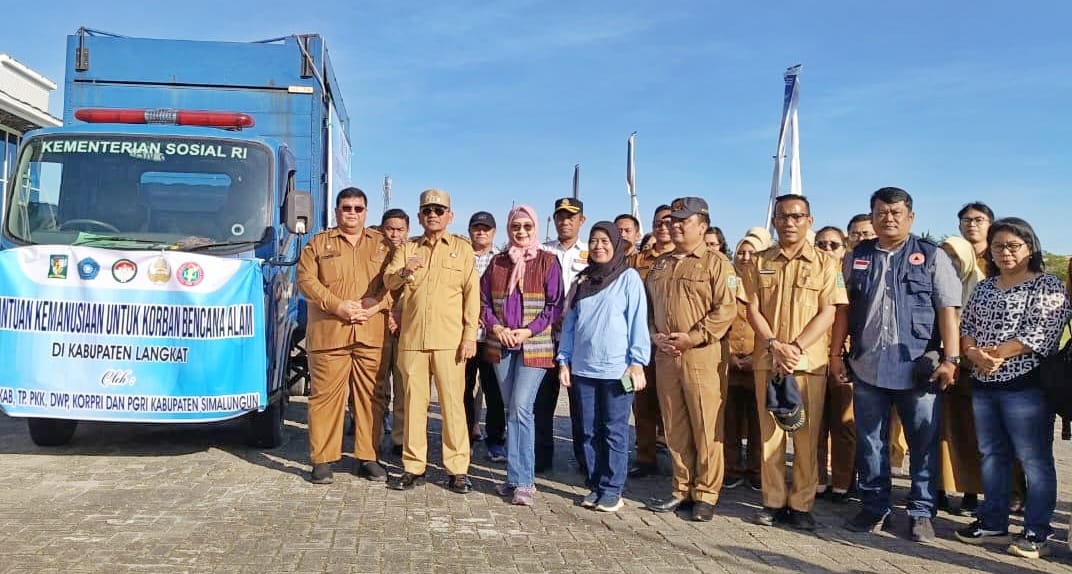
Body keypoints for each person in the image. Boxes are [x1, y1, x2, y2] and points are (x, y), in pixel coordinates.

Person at [831, 187, 961, 542]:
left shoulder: (931, 256)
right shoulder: (857, 256)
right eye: (881, 212)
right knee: (871, 441)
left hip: (917, 367)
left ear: (911, 217)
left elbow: (948, 310)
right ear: (872, 217)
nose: (889, 218)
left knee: (923, 442)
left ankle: (920, 511)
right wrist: (834, 354)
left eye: (896, 212)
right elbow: (842, 308)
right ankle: (874, 506)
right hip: (867, 365)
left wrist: (951, 359)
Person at [955, 218, 1071, 559]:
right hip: (983, 383)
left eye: (1013, 246)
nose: (1005, 252)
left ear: (1030, 248)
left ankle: (1037, 531)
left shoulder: (1046, 285)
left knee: (1034, 460)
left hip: (1028, 386)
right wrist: (974, 353)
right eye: (998, 246)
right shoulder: (986, 287)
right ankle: (993, 522)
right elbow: (968, 325)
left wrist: (995, 355)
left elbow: (1044, 332)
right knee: (992, 455)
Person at [742, 196, 847, 531]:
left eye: (796, 216)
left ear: (809, 220)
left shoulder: (827, 264)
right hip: (768, 359)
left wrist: (796, 347)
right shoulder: (759, 261)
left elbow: (829, 311)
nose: (789, 222)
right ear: (773, 220)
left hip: (807, 364)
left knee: (806, 436)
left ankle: (801, 504)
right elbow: (752, 308)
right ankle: (772, 501)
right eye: (782, 216)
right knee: (770, 436)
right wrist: (774, 344)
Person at [644, 197, 737, 522]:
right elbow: (648, 308)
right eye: (673, 220)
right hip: (666, 355)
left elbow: (726, 310)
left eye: (684, 220)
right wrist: (654, 334)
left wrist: (693, 337)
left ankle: (706, 493)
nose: (676, 225)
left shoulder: (718, 263)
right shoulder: (660, 264)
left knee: (706, 426)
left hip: (701, 355)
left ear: (702, 225)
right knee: (675, 425)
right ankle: (681, 488)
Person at [384, 189, 479, 494]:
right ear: (420, 216)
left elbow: (471, 297)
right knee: (413, 404)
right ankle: (413, 467)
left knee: (453, 405)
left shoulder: (463, 250)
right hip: (412, 339)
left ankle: (457, 469)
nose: (434, 215)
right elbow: (389, 281)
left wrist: (469, 337)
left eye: (439, 210)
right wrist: (404, 271)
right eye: (428, 210)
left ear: (450, 215)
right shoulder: (407, 249)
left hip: (449, 341)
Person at [296, 187, 394, 484]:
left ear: (367, 212)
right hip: (331, 333)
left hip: (370, 332)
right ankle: (323, 460)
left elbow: (396, 284)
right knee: (325, 398)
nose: (352, 213)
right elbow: (305, 280)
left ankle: (367, 457)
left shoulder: (382, 245)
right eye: (346, 208)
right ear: (337, 211)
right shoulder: (319, 243)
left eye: (358, 208)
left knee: (371, 398)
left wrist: (375, 304)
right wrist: (338, 306)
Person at [558, 222, 651, 512]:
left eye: (604, 241)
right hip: (583, 370)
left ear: (616, 244)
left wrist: (637, 362)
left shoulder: (628, 278)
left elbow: (638, 322)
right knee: (587, 430)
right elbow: (570, 325)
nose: (599, 246)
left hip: (616, 372)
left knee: (614, 431)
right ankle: (596, 484)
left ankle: (612, 489)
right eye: (594, 241)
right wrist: (564, 360)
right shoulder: (582, 282)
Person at [481, 205, 563, 506]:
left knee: (521, 407)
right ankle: (513, 478)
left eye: (527, 227)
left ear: (536, 228)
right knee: (509, 409)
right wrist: (496, 326)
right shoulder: (498, 263)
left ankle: (525, 482)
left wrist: (528, 330)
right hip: (501, 344)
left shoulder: (547, 261)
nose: (522, 232)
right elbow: (483, 301)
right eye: (516, 226)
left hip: (534, 345)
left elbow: (554, 305)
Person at [536, 197, 588, 473]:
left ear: (582, 220)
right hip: (545, 337)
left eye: (571, 217)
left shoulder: (592, 253)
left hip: (578, 341)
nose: (565, 221)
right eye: (560, 216)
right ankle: (541, 458)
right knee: (542, 403)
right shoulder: (541, 251)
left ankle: (584, 459)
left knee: (580, 405)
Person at [936, 235, 985, 516]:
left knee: (969, 433)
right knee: (938, 433)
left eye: (955, 257)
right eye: (945, 257)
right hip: (939, 367)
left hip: (970, 370)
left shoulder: (981, 288)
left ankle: (971, 492)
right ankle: (939, 489)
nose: (950, 263)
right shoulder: (933, 285)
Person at [626, 205, 675, 478]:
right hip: (643, 340)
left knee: (672, 404)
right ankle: (645, 458)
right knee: (643, 402)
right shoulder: (637, 261)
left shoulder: (684, 258)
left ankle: (675, 458)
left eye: (668, 222)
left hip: (671, 342)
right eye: (658, 222)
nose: (663, 227)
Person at [813, 225, 855, 503]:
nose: (827, 249)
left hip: (844, 358)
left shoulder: (851, 278)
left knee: (843, 425)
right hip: (813, 356)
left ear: (844, 248)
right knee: (814, 425)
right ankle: (815, 480)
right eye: (821, 244)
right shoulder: (812, 273)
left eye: (833, 245)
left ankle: (842, 482)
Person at [724, 235, 767, 491]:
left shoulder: (764, 284)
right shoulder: (726, 282)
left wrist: (757, 354)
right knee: (729, 421)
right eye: (741, 252)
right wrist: (728, 353)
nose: (746, 257)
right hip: (728, 361)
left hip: (758, 359)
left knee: (758, 422)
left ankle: (756, 469)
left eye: (752, 253)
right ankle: (731, 468)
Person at [466, 211, 507, 463]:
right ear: (470, 230)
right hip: (466, 335)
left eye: (486, 228)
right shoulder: (460, 257)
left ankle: (495, 440)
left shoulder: (502, 260)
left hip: (492, 335)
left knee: (494, 390)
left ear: (494, 232)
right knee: (463, 389)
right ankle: (466, 437)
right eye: (476, 228)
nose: (481, 232)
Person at [375, 208, 410, 456]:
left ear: (407, 231)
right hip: (376, 321)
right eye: (390, 229)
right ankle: (371, 434)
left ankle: (399, 438)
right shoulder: (372, 252)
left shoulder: (413, 253)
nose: (395, 234)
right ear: (381, 228)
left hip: (404, 326)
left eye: (400, 230)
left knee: (402, 384)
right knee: (376, 384)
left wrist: (397, 312)